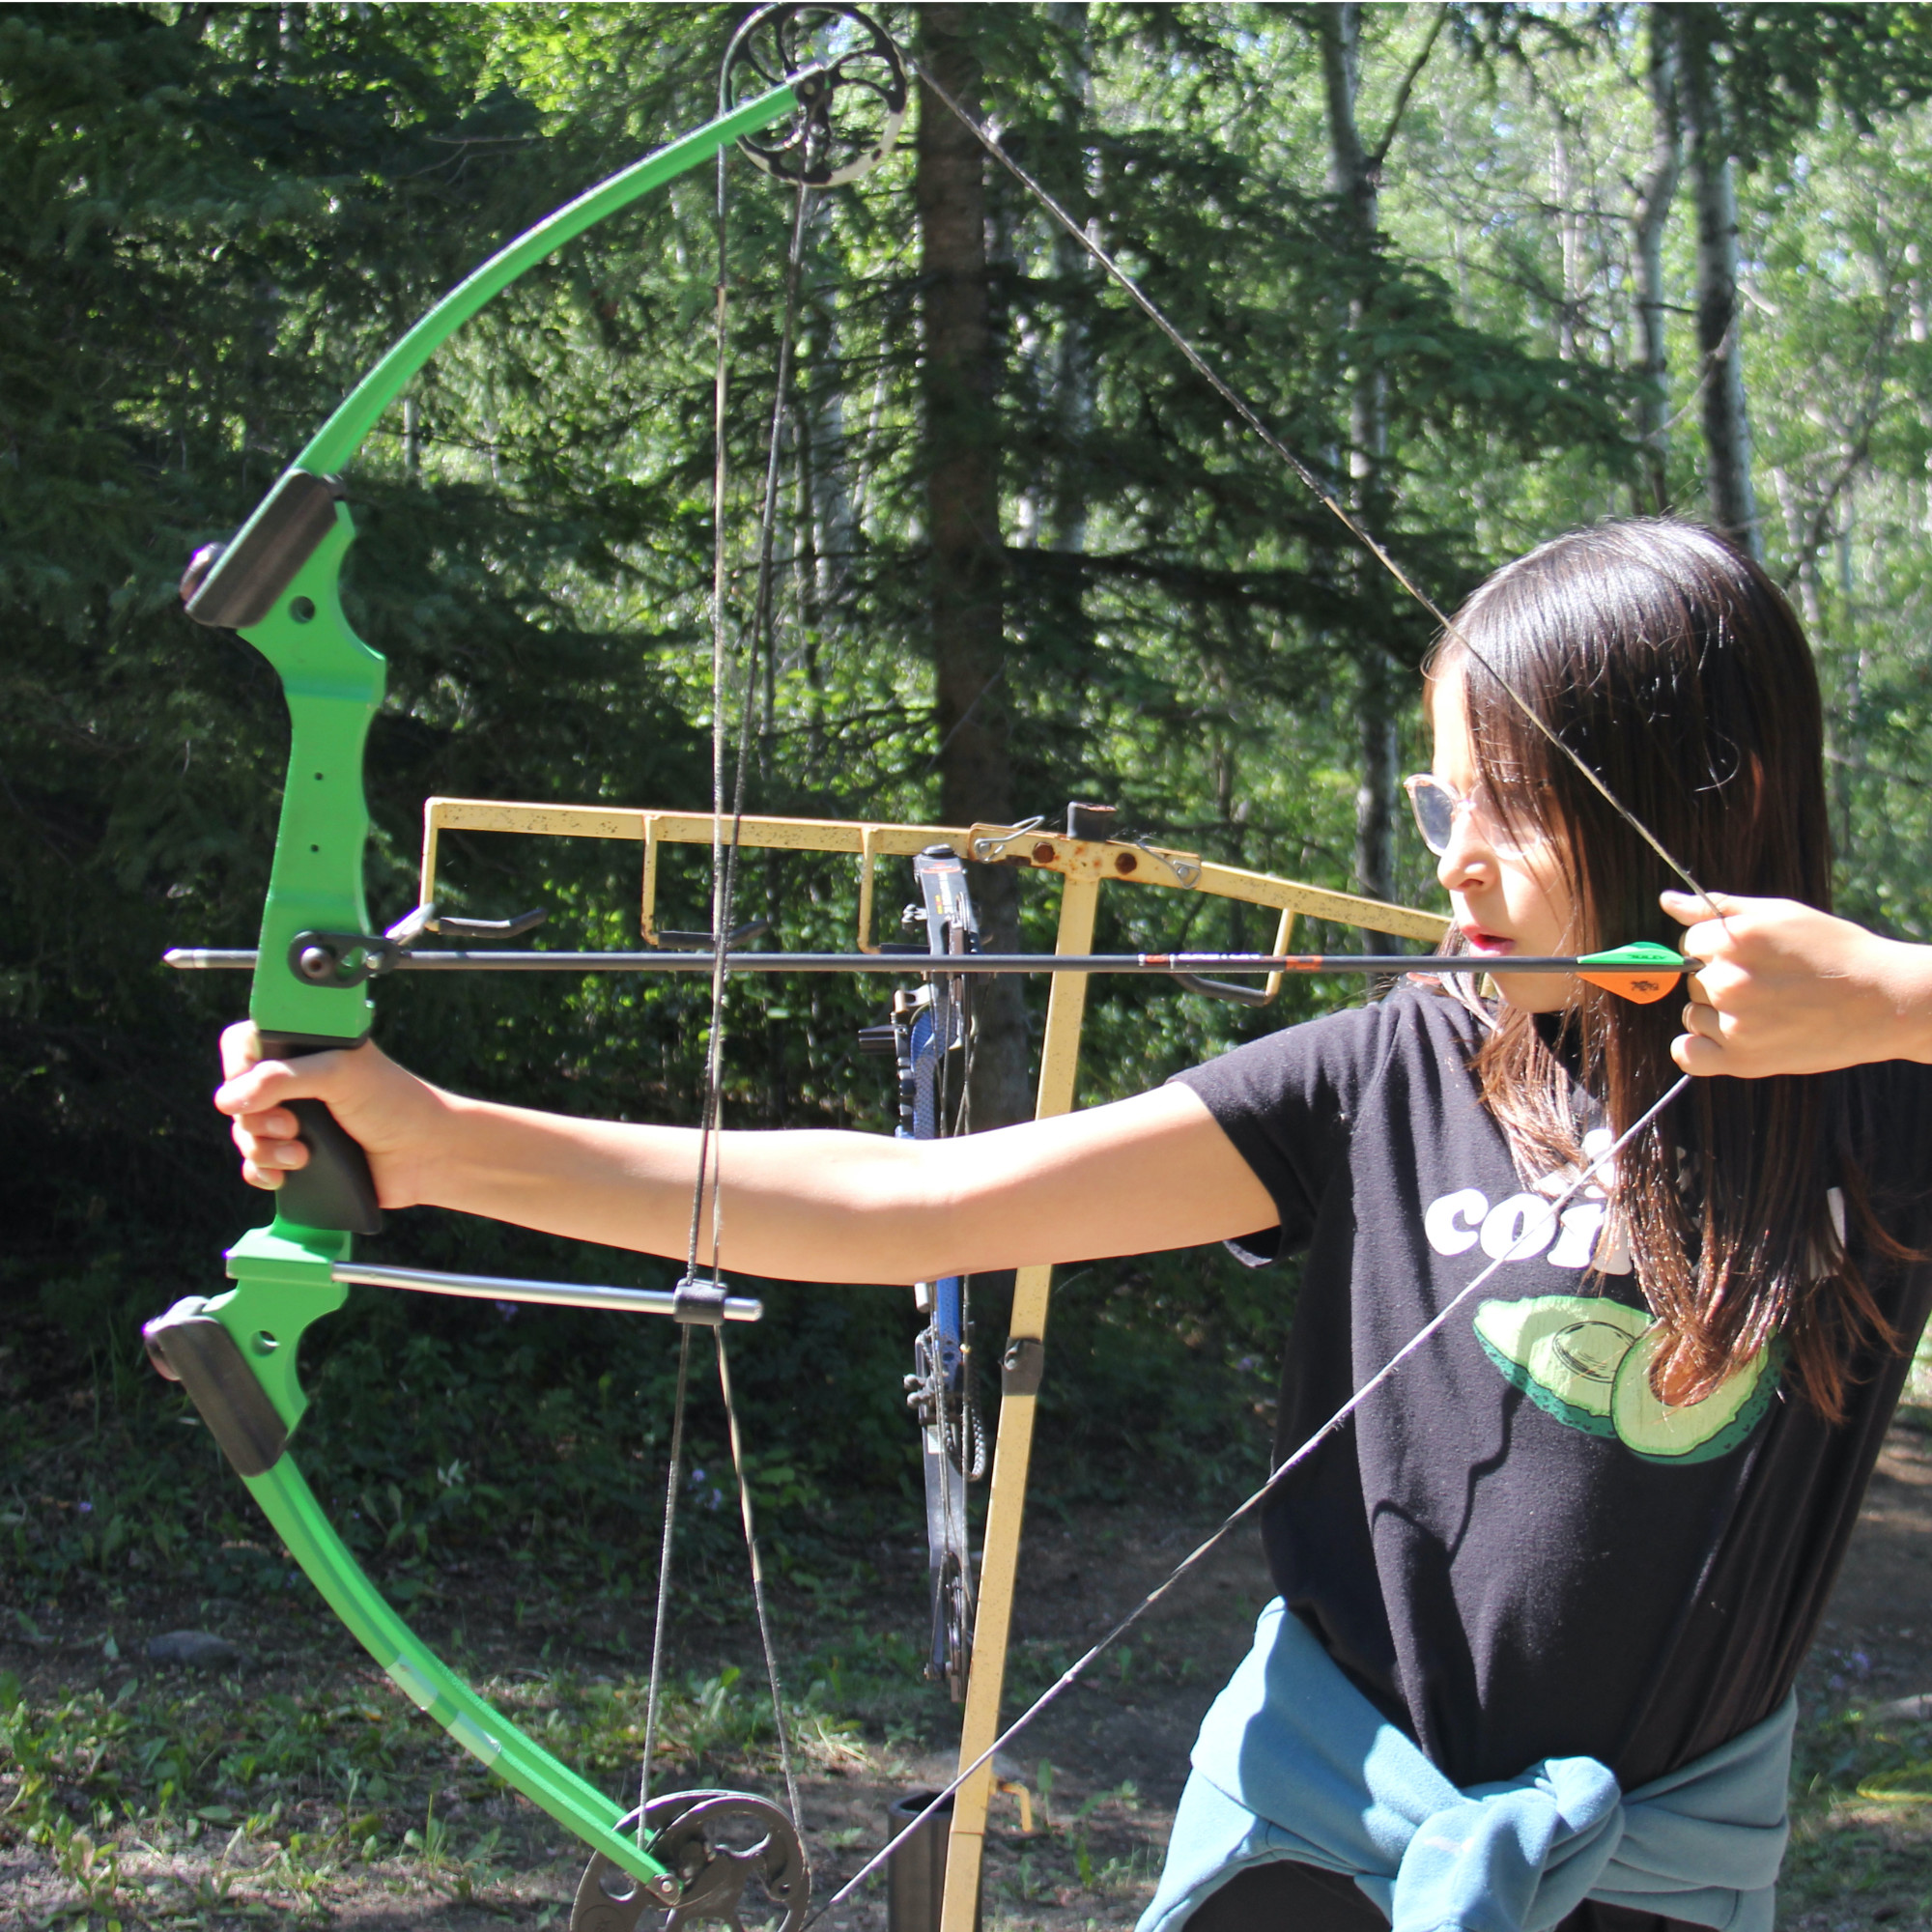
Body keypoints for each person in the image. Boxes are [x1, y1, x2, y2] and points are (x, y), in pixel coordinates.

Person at [216, 520, 1932, 1932]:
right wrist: (435, 1143)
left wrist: (1903, 995)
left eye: (1513, 807)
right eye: (1440, 807)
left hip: (1644, 1871)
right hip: (1318, 1838)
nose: (1456, 867)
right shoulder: (1395, 1067)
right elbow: (911, 1206)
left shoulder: (1879, 1104)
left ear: (1702, 790)